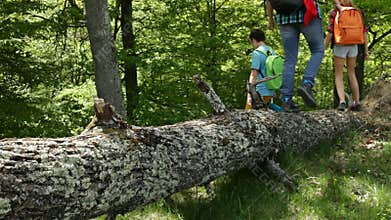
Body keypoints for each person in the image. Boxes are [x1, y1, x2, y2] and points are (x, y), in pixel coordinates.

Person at [266, 0, 324, 112]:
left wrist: (270, 19)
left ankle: (286, 100)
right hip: (307, 12)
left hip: (284, 18)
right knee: (318, 50)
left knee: (289, 59)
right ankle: (307, 84)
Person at [324, 0, 369, 111]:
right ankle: (357, 102)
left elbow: (330, 32)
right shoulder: (357, 11)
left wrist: (321, 49)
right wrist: (366, 50)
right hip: (354, 45)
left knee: (338, 74)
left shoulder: (335, 12)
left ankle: (342, 102)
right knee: (351, 72)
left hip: (340, 45)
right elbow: (364, 32)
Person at [245, 29, 277, 110]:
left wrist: (250, 91)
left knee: (251, 112)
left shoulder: (257, 53)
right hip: (271, 88)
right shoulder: (272, 51)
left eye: (251, 42)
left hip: (260, 91)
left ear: (253, 40)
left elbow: (254, 74)